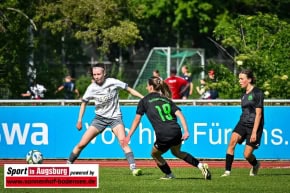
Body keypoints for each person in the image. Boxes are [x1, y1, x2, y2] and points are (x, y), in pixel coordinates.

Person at [124, 76, 211, 180]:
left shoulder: (144, 100)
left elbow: (137, 120)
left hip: (163, 133)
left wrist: (129, 135)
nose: (147, 88)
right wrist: (186, 131)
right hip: (176, 130)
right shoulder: (166, 99)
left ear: (151, 87)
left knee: (154, 154)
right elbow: (180, 114)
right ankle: (201, 166)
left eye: (147, 86)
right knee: (177, 152)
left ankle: (169, 175)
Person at [67, 63, 143, 176]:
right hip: (99, 119)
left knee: (123, 141)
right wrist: (79, 120)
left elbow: (129, 89)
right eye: (94, 74)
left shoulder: (112, 82)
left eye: (98, 74)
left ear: (104, 73)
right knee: (82, 144)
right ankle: (67, 165)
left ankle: (134, 169)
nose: (96, 76)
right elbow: (84, 103)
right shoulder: (91, 88)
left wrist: (143, 98)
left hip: (115, 118)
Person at [221, 69, 264, 177]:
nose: (239, 81)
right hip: (242, 123)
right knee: (231, 142)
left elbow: (258, 114)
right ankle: (227, 172)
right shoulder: (243, 95)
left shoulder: (257, 93)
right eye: (239, 79)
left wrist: (254, 132)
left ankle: (256, 164)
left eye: (241, 79)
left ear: (249, 79)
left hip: (254, 125)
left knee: (247, 154)